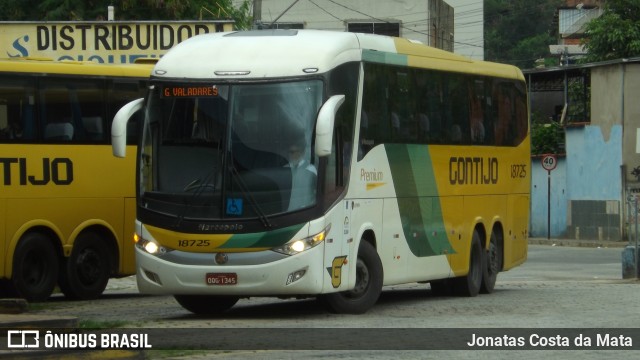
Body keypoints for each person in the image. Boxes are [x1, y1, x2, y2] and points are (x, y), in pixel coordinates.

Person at [285, 136, 317, 211]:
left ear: (302, 152)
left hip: (304, 211)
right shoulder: (284, 169)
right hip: (286, 211)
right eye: (290, 152)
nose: (292, 155)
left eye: (295, 151)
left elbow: (315, 192)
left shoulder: (311, 169)